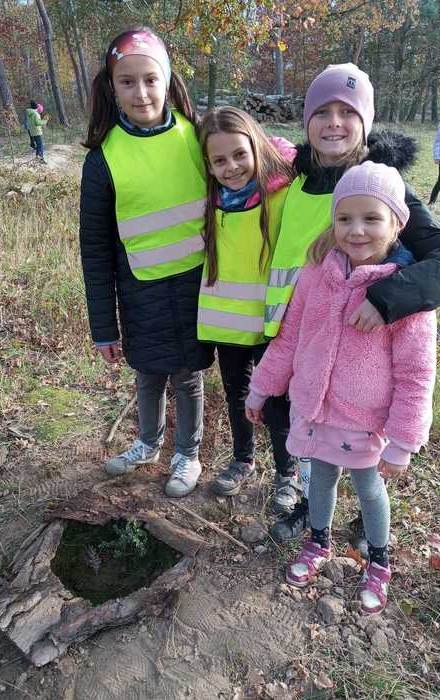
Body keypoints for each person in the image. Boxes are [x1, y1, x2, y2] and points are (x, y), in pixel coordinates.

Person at [260, 63, 440, 545]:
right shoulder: (295, 178)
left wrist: (387, 299)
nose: (333, 122)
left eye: (347, 112)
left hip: (355, 343)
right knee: (294, 420)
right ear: (307, 120)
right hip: (292, 331)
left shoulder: (380, 186)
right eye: (322, 112)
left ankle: (362, 520)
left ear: (365, 121)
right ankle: (307, 501)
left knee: (357, 442)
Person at [247, 161, 437, 615]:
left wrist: (404, 441)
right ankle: (319, 541)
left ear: (397, 223)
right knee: (321, 478)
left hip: (364, 420)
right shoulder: (317, 273)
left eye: (372, 218)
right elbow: (289, 337)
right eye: (345, 218)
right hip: (314, 408)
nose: (356, 230)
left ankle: (379, 561)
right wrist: (261, 388)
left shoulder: (406, 293)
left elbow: (416, 374)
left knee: (369, 488)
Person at [79, 27, 214, 498]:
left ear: (168, 80)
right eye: (127, 81)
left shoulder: (197, 138)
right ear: (111, 87)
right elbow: (95, 251)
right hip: (141, 292)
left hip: (197, 287)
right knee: (149, 374)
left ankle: (188, 454)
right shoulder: (103, 160)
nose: (141, 93)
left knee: (188, 376)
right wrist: (104, 329)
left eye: (151, 79)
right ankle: (148, 444)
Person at [197, 107, 299, 511]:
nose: (232, 167)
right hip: (227, 322)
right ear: (208, 165)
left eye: (240, 154)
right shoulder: (207, 199)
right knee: (236, 393)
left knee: (275, 398)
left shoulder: (282, 193)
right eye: (219, 160)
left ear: (257, 146)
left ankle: (287, 472)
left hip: (272, 321)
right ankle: (243, 459)